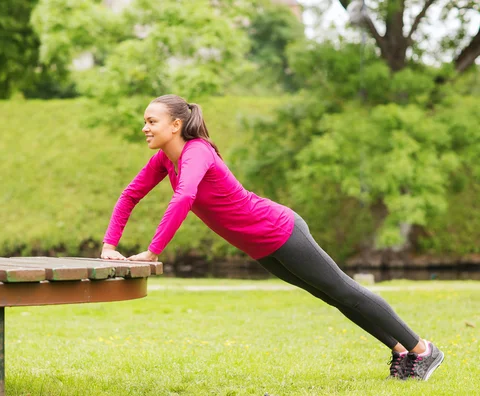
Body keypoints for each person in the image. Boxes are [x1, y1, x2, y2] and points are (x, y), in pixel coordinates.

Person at [100, 94, 444, 381]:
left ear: (175, 125)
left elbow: (185, 197)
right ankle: (402, 352)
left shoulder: (197, 151)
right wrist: (109, 246)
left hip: (280, 230)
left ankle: (423, 350)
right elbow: (130, 195)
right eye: (144, 121)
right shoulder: (166, 160)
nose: (144, 128)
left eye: (151, 121)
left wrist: (153, 250)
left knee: (343, 289)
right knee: (333, 296)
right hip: (261, 247)